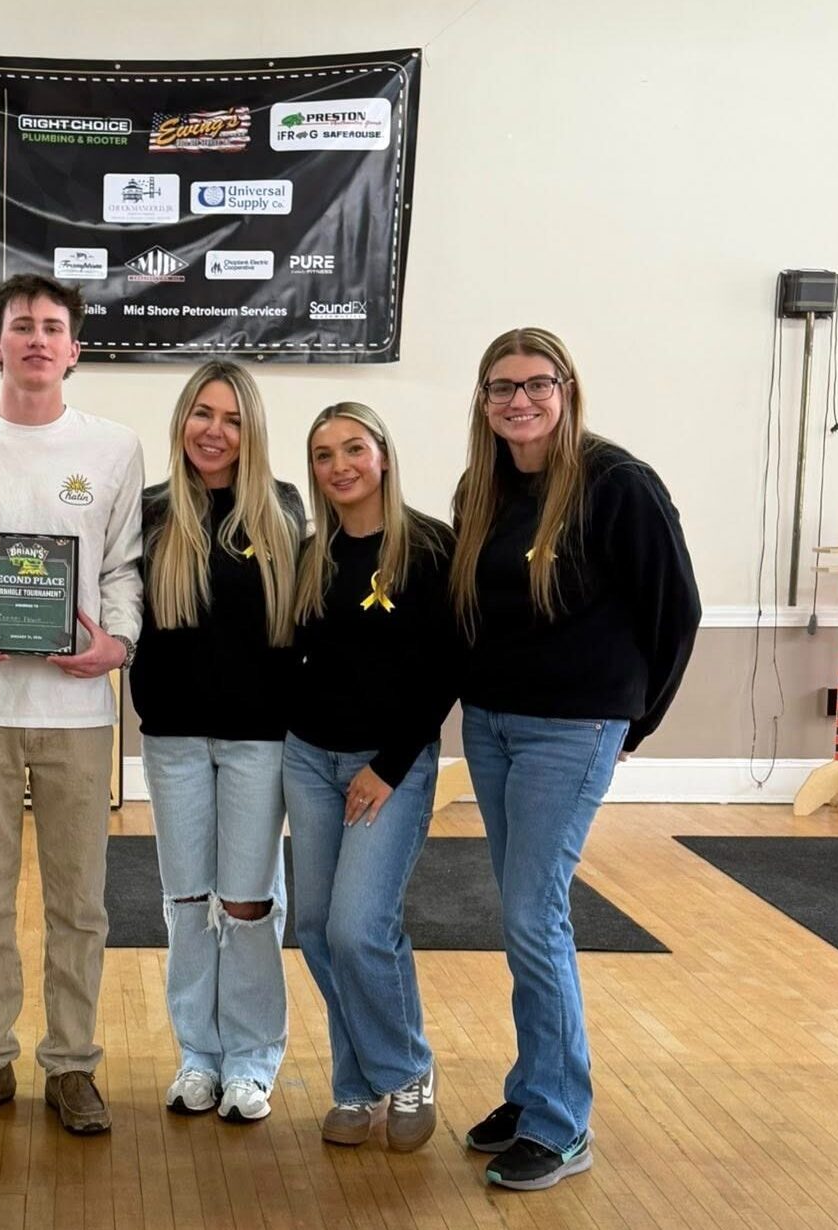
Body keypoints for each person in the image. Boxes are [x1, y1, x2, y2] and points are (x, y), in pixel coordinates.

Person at [452, 327, 700, 1190]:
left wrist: (633, 724)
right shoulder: (482, 488)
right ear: (484, 402)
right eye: (502, 387)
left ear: (566, 390)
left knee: (534, 917)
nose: (519, 400)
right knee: (523, 916)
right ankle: (533, 1091)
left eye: (536, 384)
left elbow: (677, 611)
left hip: (572, 730)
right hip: (492, 726)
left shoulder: (617, 483)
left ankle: (561, 1125)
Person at [0, 273, 143, 1134]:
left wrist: (118, 644)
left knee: (79, 905)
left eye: (52, 327)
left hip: (78, 714)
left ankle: (73, 1064)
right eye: (21, 326)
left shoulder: (114, 448)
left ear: (74, 350)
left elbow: (121, 567)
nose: (37, 339)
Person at [129, 360, 304, 1123]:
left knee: (247, 903)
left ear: (251, 430)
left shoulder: (284, 510)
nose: (215, 431)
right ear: (183, 420)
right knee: (188, 899)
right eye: (203, 413)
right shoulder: (150, 511)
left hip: (258, 742)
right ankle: (198, 1056)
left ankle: (252, 1062)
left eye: (232, 419)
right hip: (173, 740)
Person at [282, 402, 457, 1153]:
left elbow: (447, 669)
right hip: (308, 760)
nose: (340, 466)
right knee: (316, 928)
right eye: (324, 455)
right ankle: (356, 1084)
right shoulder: (311, 553)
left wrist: (387, 768)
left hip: (390, 767)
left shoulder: (431, 547)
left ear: (383, 454)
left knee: (359, 929)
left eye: (354, 448)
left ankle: (407, 1068)